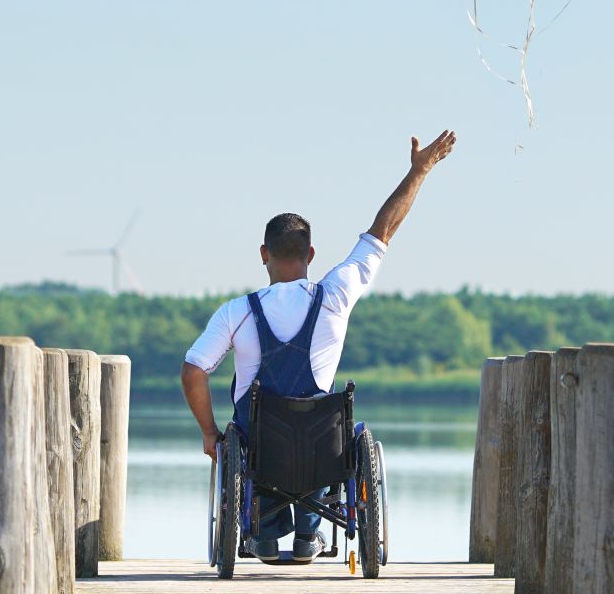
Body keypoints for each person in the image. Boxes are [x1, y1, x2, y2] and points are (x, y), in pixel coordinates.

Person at [181, 130, 457, 563]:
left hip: (258, 446)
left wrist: (209, 434)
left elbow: (194, 370)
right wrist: (418, 172)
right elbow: (383, 231)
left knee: (254, 434)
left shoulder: (236, 312)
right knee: (332, 432)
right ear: (311, 254)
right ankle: (310, 536)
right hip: (321, 448)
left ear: (263, 254)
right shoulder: (336, 294)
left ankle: (266, 536)